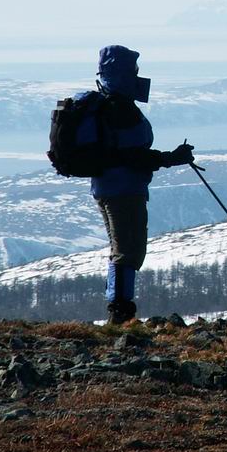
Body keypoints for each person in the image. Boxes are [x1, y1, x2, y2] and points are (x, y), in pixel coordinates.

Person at [84, 44, 194, 324]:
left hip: (108, 188)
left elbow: (124, 154)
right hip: (123, 189)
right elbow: (133, 156)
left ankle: (118, 307)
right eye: (133, 69)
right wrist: (172, 158)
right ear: (123, 72)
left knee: (121, 248)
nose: (137, 74)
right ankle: (119, 312)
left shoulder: (106, 104)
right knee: (129, 250)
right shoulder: (120, 109)